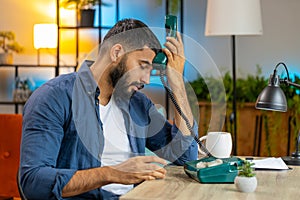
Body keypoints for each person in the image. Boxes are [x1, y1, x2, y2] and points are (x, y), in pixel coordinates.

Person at [19, 18, 198, 199]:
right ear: (116, 52)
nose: (145, 79)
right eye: (142, 66)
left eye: (150, 71)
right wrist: (111, 174)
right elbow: (33, 182)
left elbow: (185, 157)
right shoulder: (54, 97)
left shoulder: (138, 104)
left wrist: (177, 82)